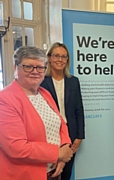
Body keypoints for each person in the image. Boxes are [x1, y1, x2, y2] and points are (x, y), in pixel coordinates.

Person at [0, 46, 73, 180]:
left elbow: (61, 123)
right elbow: (16, 147)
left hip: (53, 172)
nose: (35, 72)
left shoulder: (44, 93)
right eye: (28, 66)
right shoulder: (4, 99)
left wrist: (64, 150)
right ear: (16, 68)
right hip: (25, 175)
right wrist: (58, 153)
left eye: (40, 67)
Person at [40, 42, 85, 180]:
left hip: (70, 134)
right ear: (49, 57)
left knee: (66, 173)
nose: (60, 60)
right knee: (51, 173)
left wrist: (79, 136)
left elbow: (79, 109)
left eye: (64, 57)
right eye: (56, 56)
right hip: (49, 135)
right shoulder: (41, 81)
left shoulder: (73, 81)